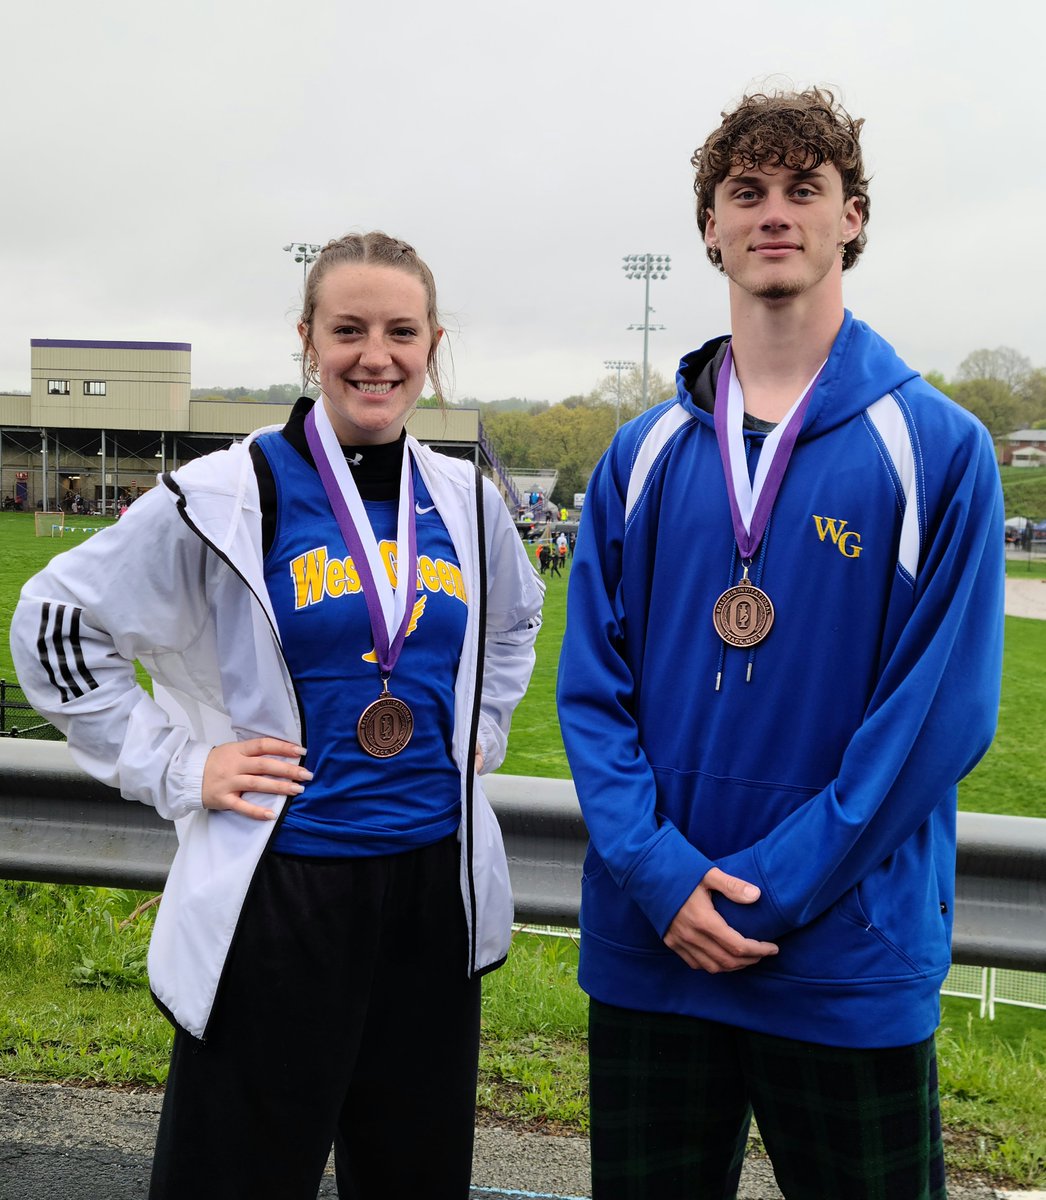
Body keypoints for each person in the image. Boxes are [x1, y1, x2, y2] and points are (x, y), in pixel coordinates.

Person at [11, 231, 544, 1200]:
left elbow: (514, 622)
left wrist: (482, 729)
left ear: (430, 345)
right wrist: (178, 768)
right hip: (282, 893)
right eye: (347, 330)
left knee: (413, 1180)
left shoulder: (465, 499)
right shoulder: (227, 489)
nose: (373, 355)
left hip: (432, 895)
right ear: (307, 339)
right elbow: (54, 622)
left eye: (398, 331)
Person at [557, 88, 1004, 1200]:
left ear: (851, 216)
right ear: (705, 226)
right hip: (653, 947)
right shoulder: (640, 454)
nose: (773, 214)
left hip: (841, 955)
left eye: (803, 189)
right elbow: (589, 695)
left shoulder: (938, 449)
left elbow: (933, 722)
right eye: (744, 191)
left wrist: (763, 891)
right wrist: (662, 881)